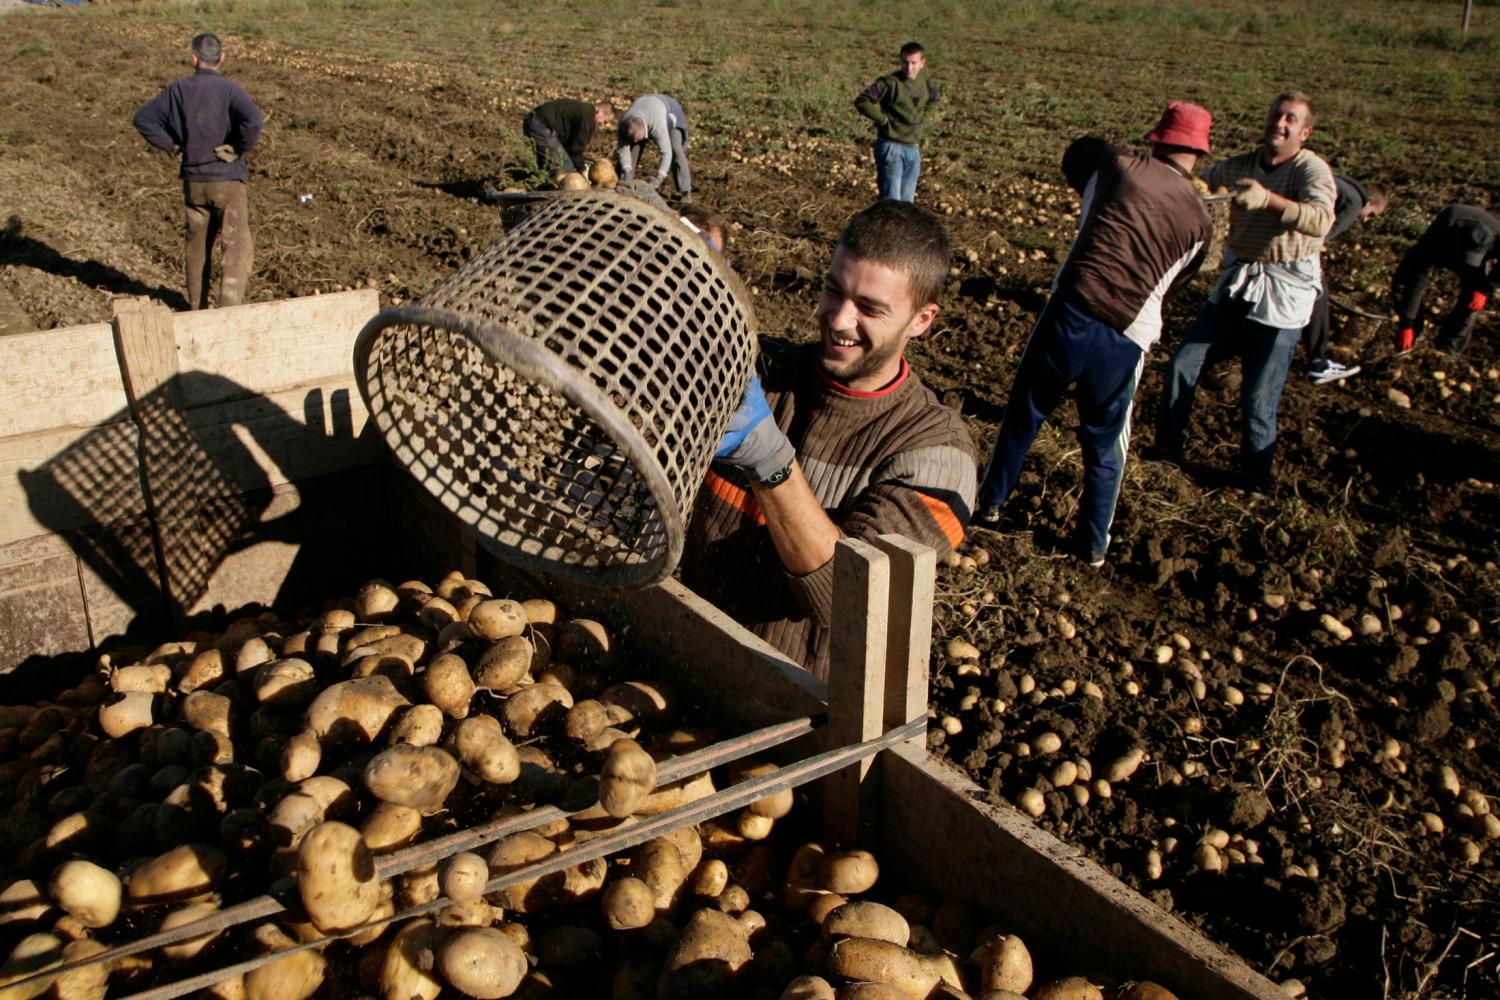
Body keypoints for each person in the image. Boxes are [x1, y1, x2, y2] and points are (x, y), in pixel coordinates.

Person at [681, 201, 977, 680]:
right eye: (833, 290)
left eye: (870, 309)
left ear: (922, 320)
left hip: (792, 703)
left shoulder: (938, 456)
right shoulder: (757, 369)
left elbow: (851, 602)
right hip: (682, 646)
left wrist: (771, 463)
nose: (839, 320)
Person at [974, 102, 1215, 567]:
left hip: (1071, 312)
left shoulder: (1115, 167)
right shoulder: (1201, 222)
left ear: (1156, 138)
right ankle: (1092, 547)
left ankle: (990, 503)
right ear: (1199, 155)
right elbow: (1176, 286)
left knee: (1025, 412)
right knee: (1105, 444)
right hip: (1128, 334)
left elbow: (1077, 153)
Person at [1146, 91, 1335, 493]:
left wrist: (1269, 201)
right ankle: (1168, 449)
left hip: (1283, 295)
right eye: (1275, 116)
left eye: (1290, 119)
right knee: (1182, 365)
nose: (1280, 124)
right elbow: (1207, 181)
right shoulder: (1244, 165)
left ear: (1305, 131)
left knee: (1258, 397)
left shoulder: (1309, 170)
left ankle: (1256, 480)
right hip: (1239, 284)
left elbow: (1321, 221)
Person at [133, 32, 264, 311]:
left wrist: (172, 146)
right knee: (236, 245)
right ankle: (228, 310)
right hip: (227, 181)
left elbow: (144, 119)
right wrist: (238, 148)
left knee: (197, 247)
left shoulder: (177, 90)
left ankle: (197, 309)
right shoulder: (230, 90)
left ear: (194, 58)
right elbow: (254, 121)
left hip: (194, 182)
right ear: (222, 58)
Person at [1302, 176, 1388, 384]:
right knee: (1319, 295)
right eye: (1372, 215)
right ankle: (1317, 362)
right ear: (1371, 202)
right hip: (1296, 247)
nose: (1366, 219)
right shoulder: (1354, 203)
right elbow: (1321, 236)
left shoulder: (1339, 183)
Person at [1391, 204, 1498, 357]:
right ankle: (1410, 340)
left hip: (1479, 260)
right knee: (1403, 281)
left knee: (1472, 302)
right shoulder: (1438, 236)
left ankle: (1447, 352)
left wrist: (1484, 290)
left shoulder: (1497, 236)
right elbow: (1417, 279)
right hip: (1444, 245)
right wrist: (1406, 324)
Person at [854, 42, 940, 203]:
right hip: (891, 147)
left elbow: (935, 99)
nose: (909, 67)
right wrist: (883, 120)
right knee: (891, 202)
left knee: (907, 205)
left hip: (913, 148)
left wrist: (922, 118)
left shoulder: (926, 80)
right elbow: (862, 101)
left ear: (922, 63)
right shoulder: (889, 82)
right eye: (905, 63)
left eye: (913, 63)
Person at [615, 94, 691, 199]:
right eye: (633, 138)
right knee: (633, 148)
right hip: (645, 106)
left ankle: (685, 192)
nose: (635, 140)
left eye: (637, 138)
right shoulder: (624, 124)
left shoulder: (657, 126)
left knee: (676, 151)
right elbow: (623, 149)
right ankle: (626, 185)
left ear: (644, 130)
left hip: (670, 113)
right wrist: (626, 170)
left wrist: (659, 177)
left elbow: (666, 153)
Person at [523, 99, 616, 176]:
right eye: (604, 121)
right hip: (540, 125)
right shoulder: (588, 118)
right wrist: (582, 170)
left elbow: (570, 145)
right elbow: (576, 150)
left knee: (551, 162)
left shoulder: (585, 111)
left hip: (535, 121)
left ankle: (543, 181)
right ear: (599, 111)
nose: (603, 126)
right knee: (565, 169)